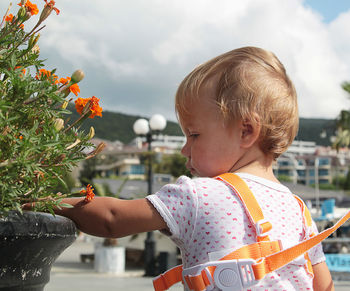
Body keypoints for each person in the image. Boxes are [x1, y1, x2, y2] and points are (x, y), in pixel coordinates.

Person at [41, 47, 334, 290]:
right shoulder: (298, 209)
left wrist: (47, 202)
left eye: (193, 135)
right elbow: (324, 286)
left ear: (246, 131)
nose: (184, 149)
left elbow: (111, 218)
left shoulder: (199, 195)